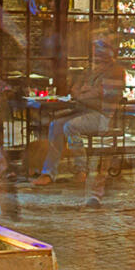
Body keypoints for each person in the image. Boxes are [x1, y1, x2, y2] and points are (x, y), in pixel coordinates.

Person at [35, 39, 125, 205]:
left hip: (103, 116)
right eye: (95, 50)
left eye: (100, 50)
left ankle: (81, 170)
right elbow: (75, 89)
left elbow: (104, 94)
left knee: (71, 126)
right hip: (83, 111)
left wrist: (85, 93)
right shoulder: (90, 70)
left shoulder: (116, 71)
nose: (96, 54)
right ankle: (48, 172)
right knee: (56, 125)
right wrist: (85, 92)